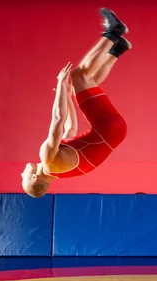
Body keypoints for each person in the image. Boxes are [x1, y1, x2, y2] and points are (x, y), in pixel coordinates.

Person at [21, 8, 131, 198]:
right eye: (23, 177)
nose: (21, 173)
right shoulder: (46, 160)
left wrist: (68, 95)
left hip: (114, 132)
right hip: (107, 129)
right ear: (34, 179)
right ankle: (113, 32)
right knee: (80, 76)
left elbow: (70, 128)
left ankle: (118, 48)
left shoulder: (58, 169)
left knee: (88, 82)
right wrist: (61, 84)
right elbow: (58, 120)